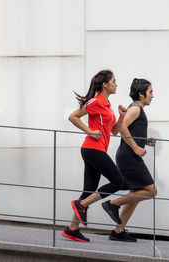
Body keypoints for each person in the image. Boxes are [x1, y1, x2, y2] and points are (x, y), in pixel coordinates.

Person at [61, 70, 127, 243]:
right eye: (114, 81)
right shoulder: (95, 101)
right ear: (105, 84)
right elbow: (73, 116)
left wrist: (121, 117)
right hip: (92, 148)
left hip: (98, 150)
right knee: (118, 181)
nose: (116, 84)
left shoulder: (107, 104)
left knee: (89, 191)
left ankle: (72, 229)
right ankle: (81, 205)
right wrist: (90, 131)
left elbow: (113, 131)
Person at [101, 78, 157, 242]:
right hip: (129, 157)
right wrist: (135, 147)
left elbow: (129, 130)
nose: (152, 96)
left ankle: (118, 231)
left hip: (127, 156)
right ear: (141, 93)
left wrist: (143, 141)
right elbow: (121, 128)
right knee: (151, 191)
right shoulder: (135, 109)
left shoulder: (136, 109)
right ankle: (113, 204)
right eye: (150, 92)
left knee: (135, 194)